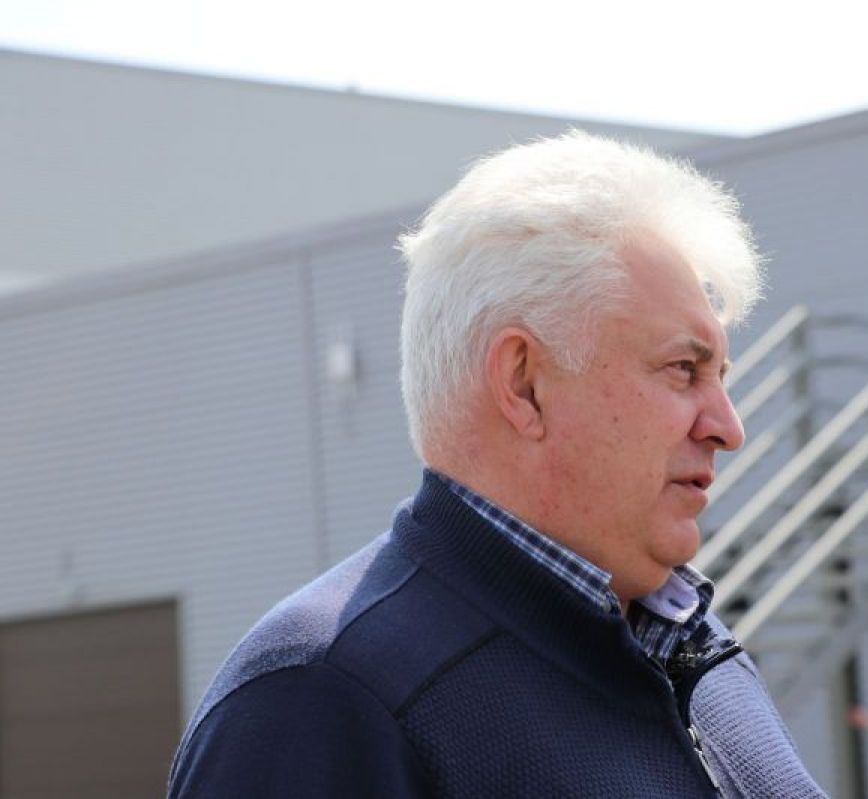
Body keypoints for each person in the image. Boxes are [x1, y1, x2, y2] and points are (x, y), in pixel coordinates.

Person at [166, 131, 828, 798]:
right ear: (523, 384)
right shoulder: (317, 701)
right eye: (683, 369)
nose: (728, 428)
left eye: (720, 377)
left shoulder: (697, 654)